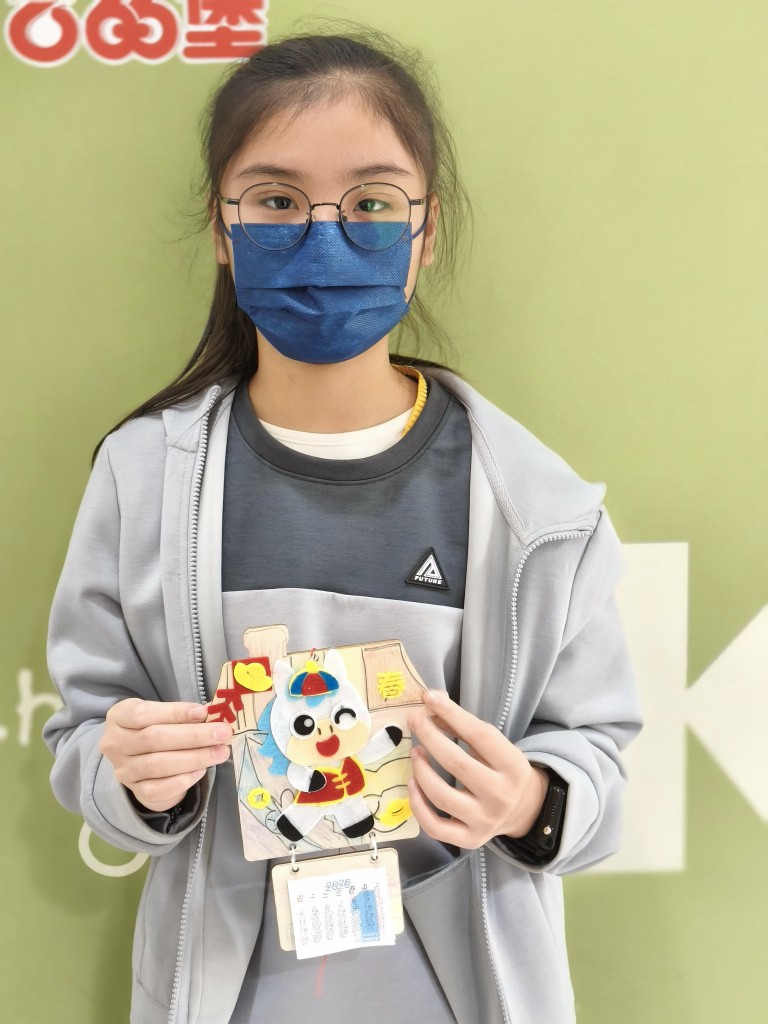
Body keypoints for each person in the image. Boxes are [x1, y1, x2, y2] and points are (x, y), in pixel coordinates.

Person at [44, 27, 641, 1024]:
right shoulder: (142, 477)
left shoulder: (535, 507)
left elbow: (600, 759)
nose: (325, 241)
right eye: (278, 201)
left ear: (426, 230)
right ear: (223, 228)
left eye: (371, 203)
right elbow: (84, 736)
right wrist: (137, 778)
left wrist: (531, 801)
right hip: (223, 993)